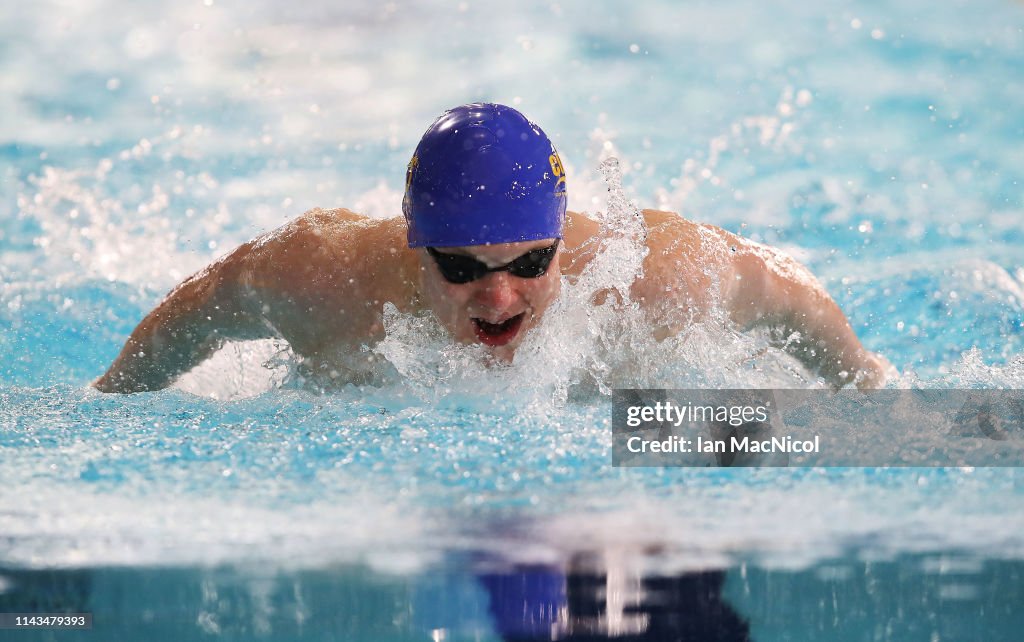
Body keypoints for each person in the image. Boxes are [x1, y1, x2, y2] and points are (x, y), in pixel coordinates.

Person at [93, 103, 890, 394]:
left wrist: (872, 400)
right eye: (463, 269)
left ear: (557, 242)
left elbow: (790, 296)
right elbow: (199, 310)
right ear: (416, 247)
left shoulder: (651, 280)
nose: (499, 296)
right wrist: (112, 402)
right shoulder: (318, 280)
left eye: (529, 263)